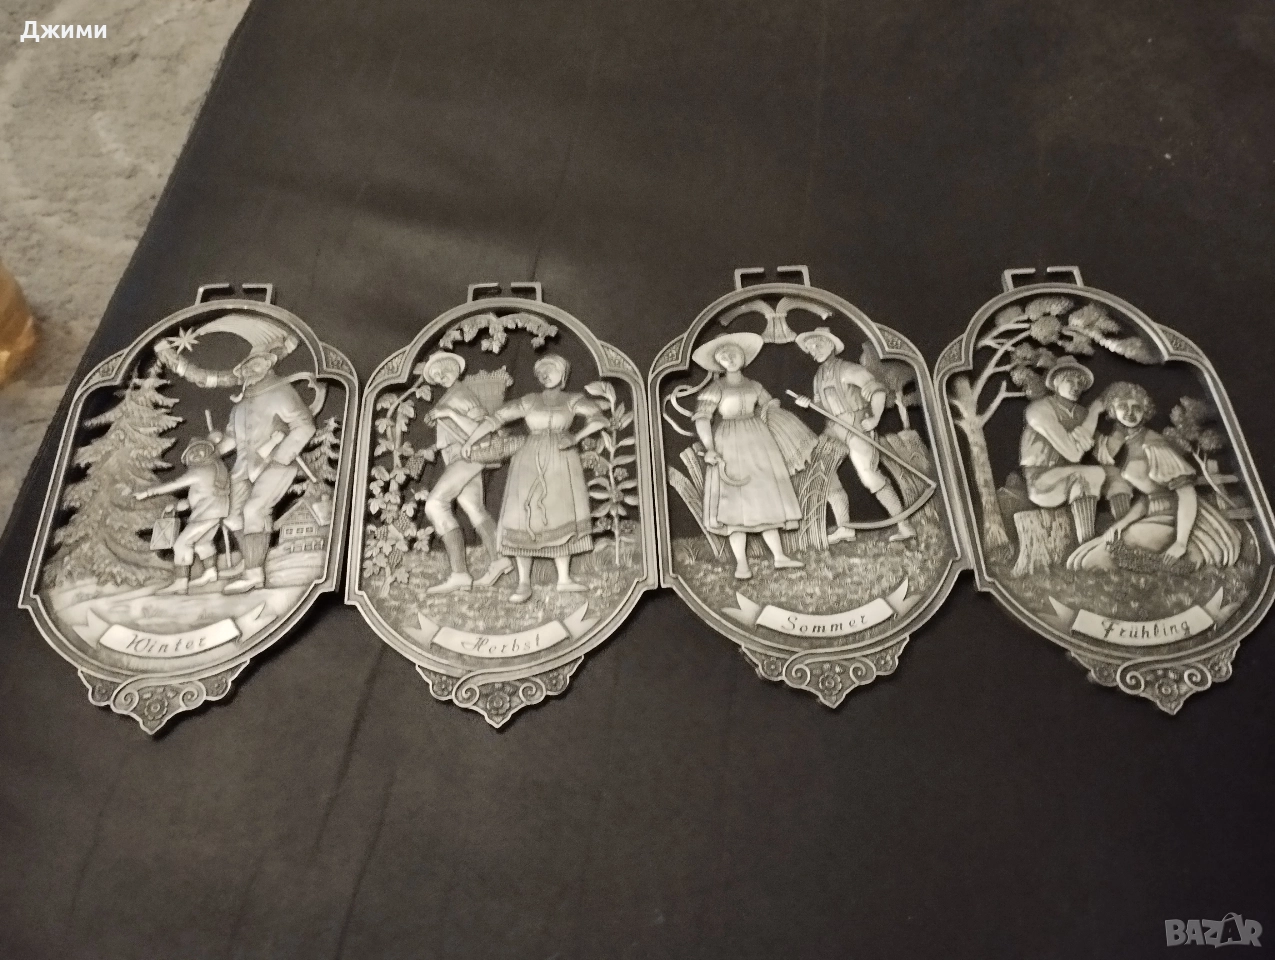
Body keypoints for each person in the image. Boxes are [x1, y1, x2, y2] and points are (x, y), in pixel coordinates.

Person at [158, 313, 317, 596]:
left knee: (255, 510)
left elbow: (304, 426)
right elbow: (232, 439)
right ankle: (252, 561)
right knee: (232, 517)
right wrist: (210, 453)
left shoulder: (281, 392)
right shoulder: (241, 404)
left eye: (255, 364)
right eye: (245, 367)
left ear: (267, 363)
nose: (249, 370)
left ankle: (254, 574)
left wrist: (281, 456)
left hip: (277, 464)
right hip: (243, 467)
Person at [462, 355, 607, 603]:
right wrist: (470, 441)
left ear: (563, 374)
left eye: (550, 370)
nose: (545, 375)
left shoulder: (573, 400)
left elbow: (600, 419)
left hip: (562, 458)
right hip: (529, 459)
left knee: (561, 512)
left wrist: (576, 437)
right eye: (541, 373)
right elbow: (496, 418)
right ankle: (523, 583)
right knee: (523, 514)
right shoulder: (530, 400)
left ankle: (564, 579)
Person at [1067, 382, 1241, 571]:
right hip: (1153, 515)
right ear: (1112, 410)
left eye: (1136, 407)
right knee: (1077, 559)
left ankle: (1181, 560)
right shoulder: (1128, 442)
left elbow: (1186, 493)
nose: (1130, 413)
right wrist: (1119, 525)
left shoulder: (1154, 444)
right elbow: (1148, 498)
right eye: (1123, 406)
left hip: (1174, 520)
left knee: (1091, 562)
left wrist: (1180, 543)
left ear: (1145, 411)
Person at [690, 332, 804, 580]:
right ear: (718, 362)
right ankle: (741, 564)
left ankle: (779, 556)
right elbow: (702, 419)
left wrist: (778, 417)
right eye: (724, 356)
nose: (730, 358)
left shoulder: (754, 385)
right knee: (735, 500)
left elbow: (769, 406)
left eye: (733, 353)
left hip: (759, 441)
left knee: (766, 495)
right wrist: (710, 449)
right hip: (729, 442)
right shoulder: (716, 388)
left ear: (743, 356)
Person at [793, 327, 915, 543]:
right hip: (833, 429)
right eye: (810, 348)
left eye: (818, 344)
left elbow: (878, 391)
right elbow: (822, 406)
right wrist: (808, 404)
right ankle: (845, 528)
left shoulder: (850, 369)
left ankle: (904, 525)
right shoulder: (818, 377)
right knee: (823, 471)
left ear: (831, 344)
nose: (814, 350)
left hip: (857, 426)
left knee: (869, 476)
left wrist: (875, 419)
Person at [417, 351, 513, 594]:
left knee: (435, 504)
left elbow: (482, 431)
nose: (440, 376)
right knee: (473, 507)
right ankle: (499, 560)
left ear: (456, 368)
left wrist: (449, 413)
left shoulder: (462, 394)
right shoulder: (451, 395)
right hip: (458, 457)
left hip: (466, 456)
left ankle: (459, 573)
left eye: (444, 369)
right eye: (435, 374)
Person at [1018, 356, 1108, 544]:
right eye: (1070, 380)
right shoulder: (1039, 409)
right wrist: (1094, 413)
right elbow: (1073, 454)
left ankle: (1102, 539)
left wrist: (1126, 430)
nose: (1076, 387)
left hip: (1069, 477)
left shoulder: (1080, 413)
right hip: (1041, 481)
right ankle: (1087, 544)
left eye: (1080, 383)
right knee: (1092, 474)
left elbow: (1105, 452)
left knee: (1106, 476)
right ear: (1056, 383)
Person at [134, 437, 230, 595]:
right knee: (202, 543)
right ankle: (210, 573)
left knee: (181, 544)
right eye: (192, 452)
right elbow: (203, 495)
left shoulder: (200, 470)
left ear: (207, 451)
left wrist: (148, 492)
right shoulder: (216, 468)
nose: (196, 454)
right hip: (215, 512)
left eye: (199, 450)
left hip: (206, 515)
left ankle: (180, 582)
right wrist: (179, 505)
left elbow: (174, 484)